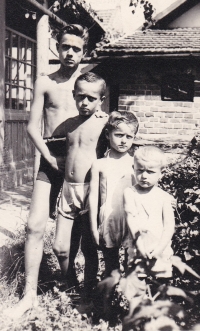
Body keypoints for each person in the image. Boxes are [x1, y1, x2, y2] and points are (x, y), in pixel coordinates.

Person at [4, 24, 89, 319]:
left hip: (79, 161)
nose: (70, 52)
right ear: (57, 47)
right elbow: (31, 126)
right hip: (50, 159)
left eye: (76, 48)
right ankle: (29, 294)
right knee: (34, 225)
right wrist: (49, 160)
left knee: (72, 229)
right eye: (65, 46)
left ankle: (70, 283)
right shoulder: (45, 82)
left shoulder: (88, 84)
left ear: (83, 52)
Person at [53, 72, 108, 302]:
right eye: (80, 96)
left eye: (91, 98)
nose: (85, 102)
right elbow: (52, 148)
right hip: (68, 189)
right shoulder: (69, 124)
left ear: (101, 99)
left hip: (90, 190)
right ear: (74, 95)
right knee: (60, 247)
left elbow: (124, 138)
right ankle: (70, 282)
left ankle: (88, 290)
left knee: (88, 246)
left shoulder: (104, 122)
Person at [89, 111, 139, 277]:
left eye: (129, 136)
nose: (124, 140)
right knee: (111, 267)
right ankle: (109, 301)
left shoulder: (135, 163)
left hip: (131, 220)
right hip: (108, 219)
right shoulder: (99, 164)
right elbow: (93, 197)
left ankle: (128, 300)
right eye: (119, 135)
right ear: (107, 134)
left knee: (132, 264)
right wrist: (93, 228)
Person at [124, 146, 175, 278]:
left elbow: (169, 227)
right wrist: (140, 246)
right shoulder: (130, 193)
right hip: (138, 249)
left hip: (160, 249)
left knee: (161, 287)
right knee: (137, 285)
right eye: (140, 170)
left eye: (150, 172)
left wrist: (159, 249)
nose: (144, 176)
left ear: (161, 173)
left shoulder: (164, 197)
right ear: (133, 169)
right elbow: (131, 219)